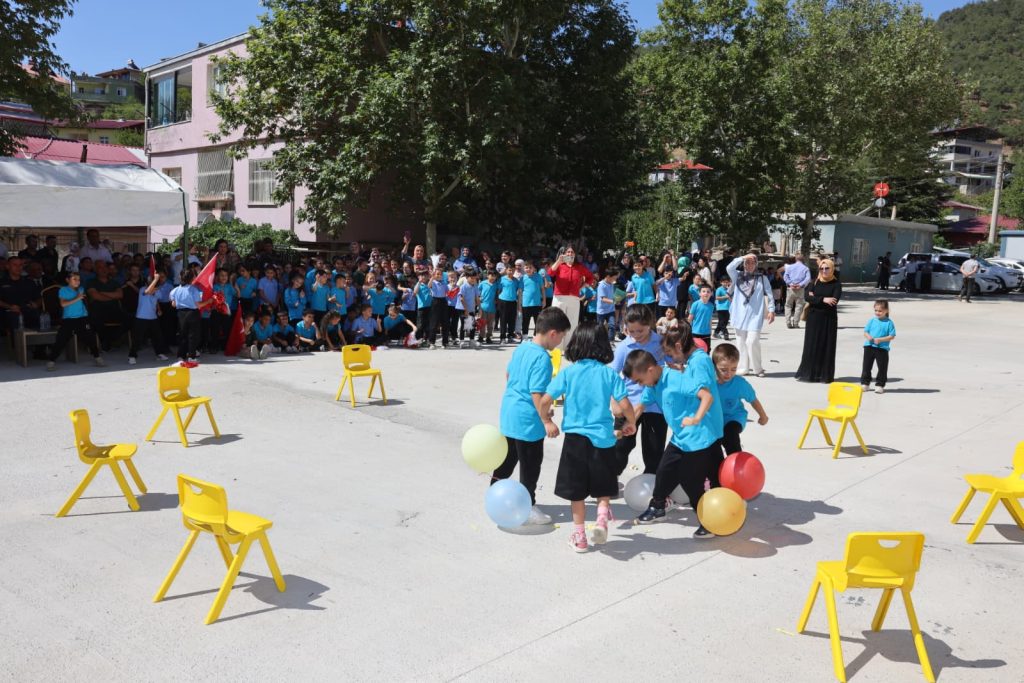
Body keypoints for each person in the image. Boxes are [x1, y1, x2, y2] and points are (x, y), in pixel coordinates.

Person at [540, 322, 636, 552]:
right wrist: (630, 423)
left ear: (577, 344)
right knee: (603, 486)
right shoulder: (608, 373)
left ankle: (580, 536)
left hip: (575, 439)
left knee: (578, 491)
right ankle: (602, 517)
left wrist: (547, 420)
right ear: (603, 345)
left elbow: (545, 400)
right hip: (603, 438)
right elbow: (624, 405)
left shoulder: (569, 372)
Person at [624, 333, 722, 538]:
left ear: (650, 370)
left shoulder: (677, 379)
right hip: (680, 437)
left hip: (697, 437)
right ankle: (658, 506)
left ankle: (710, 521)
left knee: (691, 481)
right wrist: (629, 423)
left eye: (640, 380)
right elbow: (641, 405)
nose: (641, 384)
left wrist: (695, 419)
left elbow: (707, 395)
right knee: (664, 469)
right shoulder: (653, 383)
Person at [493, 306, 572, 525]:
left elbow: (509, 374)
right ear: (553, 333)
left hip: (509, 413)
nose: (560, 343)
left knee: (506, 460)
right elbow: (537, 393)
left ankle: (494, 494)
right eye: (562, 337)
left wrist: (541, 407)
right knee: (530, 465)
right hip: (528, 421)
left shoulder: (522, 348)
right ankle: (527, 506)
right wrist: (546, 419)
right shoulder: (542, 359)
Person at [610, 305, 667, 480]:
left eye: (640, 330)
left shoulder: (661, 343)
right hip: (629, 405)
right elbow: (612, 376)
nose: (635, 334)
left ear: (649, 324)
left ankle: (651, 482)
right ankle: (610, 479)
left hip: (656, 406)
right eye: (631, 330)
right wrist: (614, 402)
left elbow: (673, 367)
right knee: (621, 445)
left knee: (654, 448)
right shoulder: (624, 346)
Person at [711, 343, 769, 472]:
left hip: (735, 417)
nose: (729, 374)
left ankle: (738, 468)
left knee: (730, 435)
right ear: (714, 366)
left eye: (734, 369)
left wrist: (763, 416)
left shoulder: (739, 383)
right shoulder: (709, 382)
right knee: (712, 446)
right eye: (724, 369)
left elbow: (753, 400)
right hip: (715, 420)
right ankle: (719, 471)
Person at [725, 253, 775, 377]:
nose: (749, 265)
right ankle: (743, 368)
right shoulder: (737, 275)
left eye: (752, 262)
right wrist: (742, 257)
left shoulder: (762, 278)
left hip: (755, 315)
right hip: (739, 314)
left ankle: (758, 368)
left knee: (752, 341)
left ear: (756, 264)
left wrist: (771, 309)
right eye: (747, 262)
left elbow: (769, 293)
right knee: (741, 342)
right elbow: (729, 267)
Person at [795, 258, 842, 383]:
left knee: (826, 346)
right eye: (822, 268)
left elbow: (834, 301)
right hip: (813, 319)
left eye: (827, 268)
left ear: (832, 269)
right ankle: (809, 374)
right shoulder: (814, 282)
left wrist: (815, 298)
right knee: (811, 345)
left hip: (828, 320)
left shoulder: (836, 284)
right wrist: (823, 300)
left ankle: (824, 375)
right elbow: (806, 297)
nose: (824, 271)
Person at [47, 271, 104, 370]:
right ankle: (51, 361)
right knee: (61, 340)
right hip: (68, 319)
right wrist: (77, 297)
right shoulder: (63, 290)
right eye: (74, 279)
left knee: (90, 338)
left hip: (82, 318)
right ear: (67, 280)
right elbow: (63, 304)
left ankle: (97, 357)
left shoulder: (81, 289)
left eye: (79, 280)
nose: (77, 281)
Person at [548, 244, 595, 350]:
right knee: (557, 321)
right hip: (559, 297)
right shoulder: (560, 265)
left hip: (573, 298)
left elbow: (590, 277)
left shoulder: (579, 267)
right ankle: (556, 347)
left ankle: (568, 347)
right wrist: (559, 261)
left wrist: (582, 287)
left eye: (572, 252)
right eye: (567, 252)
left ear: (575, 254)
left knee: (572, 323)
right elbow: (550, 273)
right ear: (564, 254)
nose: (570, 254)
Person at [170, 270, 213, 366]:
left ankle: (180, 355)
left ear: (181, 278)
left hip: (181, 313)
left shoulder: (176, 290)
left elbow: (173, 304)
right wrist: (209, 301)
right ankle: (191, 356)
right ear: (192, 278)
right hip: (192, 313)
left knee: (182, 334)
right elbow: (198, 305)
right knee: (193, 336)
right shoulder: (194, 290)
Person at [128, 270, 170, 364]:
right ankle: (132, 355)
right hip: (141, 317)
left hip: (153, 317)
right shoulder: (142, 289)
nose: (151, 281)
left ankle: (159, 354)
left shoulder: (158, 291)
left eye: (153, 280)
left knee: (157, 337)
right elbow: (148, 292)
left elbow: (156, 299)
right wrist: (155, 279)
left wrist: (158, 309)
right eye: (150, 280)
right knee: (137, 338)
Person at [861, 299, 895, 395]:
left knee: (882, 367)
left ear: (886, 311)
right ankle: (865, 383)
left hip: (882, 349)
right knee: (866, 366)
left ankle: (880, 385)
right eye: (876, 310)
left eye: (880, 311)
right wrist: (869, 337)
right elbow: (865, 332)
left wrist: (880, 340)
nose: (877, 313)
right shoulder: (872, 320)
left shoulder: (889, 322)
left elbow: (892, 336)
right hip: (869, 346)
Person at [783, 253, 811, 328]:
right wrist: (801, 284)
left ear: (795, 259)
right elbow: (808, 279)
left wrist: (791, 283)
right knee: (799, 306)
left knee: (788, 305)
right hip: (800, 289)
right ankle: (795, 323)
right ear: (803, 260)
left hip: (790, 288)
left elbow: (785, 277)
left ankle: (788, 322)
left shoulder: (789, 267)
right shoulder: (805, 268)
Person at [496, 266, 521, 345]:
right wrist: (498, 300)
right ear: (506, 270)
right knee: (503, 320)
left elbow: (518, 291)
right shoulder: (502, 279)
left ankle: (510, 336)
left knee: (512, 320)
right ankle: (502, 338)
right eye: (510, 270)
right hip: (503, 301)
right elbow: (498, 290)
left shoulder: (516, 280)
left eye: (513, 270)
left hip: (513, 302)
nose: (511, 272)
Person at [427, 267, 451, 348]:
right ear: (434, 275)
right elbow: (428, 286)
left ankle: (445, 342)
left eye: (440, 274)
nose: (439, 275)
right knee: (434, 322)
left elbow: (448, 291)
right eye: (437, 274)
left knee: (445, 323)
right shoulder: (433, 282)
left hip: (443, 301)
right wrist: (432, 277)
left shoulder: (444, 283)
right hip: (435, 301)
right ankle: (432, 342)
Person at [687, 284, 715, 349]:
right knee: (695, 350)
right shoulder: (695, 304)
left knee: (707, 350)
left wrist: (711, 330)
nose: (706, 293)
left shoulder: (711, 305)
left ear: (711, 294)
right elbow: (690, 318)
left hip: (706, 332)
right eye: (704, 291)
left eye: (708, 292)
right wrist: (688, 330)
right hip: (695, 332)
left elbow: (710, 319)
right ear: (699, 293)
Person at [596, 268, 617, 342]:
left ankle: (610, 341)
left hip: (611, 310)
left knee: (612, 325)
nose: (614, 280)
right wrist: (614, 302)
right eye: (613, 278)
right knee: (600, 328)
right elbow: (603, 299)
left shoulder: (612, 284)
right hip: (601, 311)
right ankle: (598, 342)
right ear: (608, 276)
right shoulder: (601, 285)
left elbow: (612, 295)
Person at [478, 269, 498, 344]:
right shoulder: (483, 283)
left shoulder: (496, 285)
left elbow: (498, 293)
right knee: (482, 323)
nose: (493, 277)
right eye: (491, 275)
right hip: (483, 307)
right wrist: (479, 298)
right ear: (487, 276)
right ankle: (481, 336)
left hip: (492, 307)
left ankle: (488, 337)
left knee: (490, 324)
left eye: (494, 276)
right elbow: (477, 292)